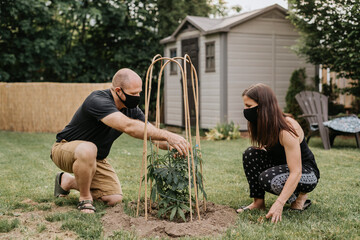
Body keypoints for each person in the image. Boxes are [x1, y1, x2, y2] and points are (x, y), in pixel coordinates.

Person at [50, 68, 190, 213]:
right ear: (118, 90)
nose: (137, 97)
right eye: (133, 93)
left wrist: (174, 145)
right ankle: (85, 199)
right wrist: (168, 134)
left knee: (113, 198)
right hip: (64, 149)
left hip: (96, 159)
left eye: (139, 92)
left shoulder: (132, 110)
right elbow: (128, 126)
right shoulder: (97, 100)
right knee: (88, 148)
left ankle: (67, 181)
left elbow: (153, 137)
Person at [237, 83, 320, 223]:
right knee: (250, 153)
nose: (246, 110)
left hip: (306, 172)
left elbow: (296, 171)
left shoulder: (286, 128)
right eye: (245, 106)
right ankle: (258, 203)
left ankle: (301, 197)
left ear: (263, 106)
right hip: (284, 167)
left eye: (249, 106)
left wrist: (279, 203)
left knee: (268, 178)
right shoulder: (262, 123)